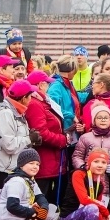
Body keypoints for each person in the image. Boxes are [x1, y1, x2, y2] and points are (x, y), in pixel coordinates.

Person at [0, 79, 40, 220]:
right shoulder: (6, 114)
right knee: (0, 201)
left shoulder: (17, 112)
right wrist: (30, 139)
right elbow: (9, 146)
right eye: (30, 96)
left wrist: (30, 138)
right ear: (23, 98)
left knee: (6, 201)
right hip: (1, 167)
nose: (31, 99)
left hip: (10, 166)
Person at [24, 71, 69, 205]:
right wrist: (62, 140)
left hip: (51, 158)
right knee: (42, 195)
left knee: (49, 195)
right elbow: (40, 132)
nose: (49, 87)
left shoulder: (42, 102)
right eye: (47, 84)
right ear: (41, 85)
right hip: (44, 158)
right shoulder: (35, 103)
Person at [72, 104, 110, 199]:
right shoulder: (85, 138)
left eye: (106, 118)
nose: (103, 120)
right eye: (99, 117)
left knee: (105, 204)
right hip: (87, 178)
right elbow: (77, 156)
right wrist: (82, 166)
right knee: (87, 201)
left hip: (107, 180)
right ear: (94, 120)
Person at [47, 55, 82, 133]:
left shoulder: (66, 83)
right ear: (72, 70)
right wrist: (71, 116)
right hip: (62, 130)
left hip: (71, 129)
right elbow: (52, 107)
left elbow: (74, 97)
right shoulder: (56, 86)